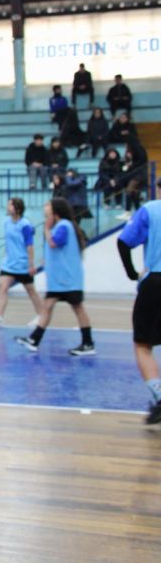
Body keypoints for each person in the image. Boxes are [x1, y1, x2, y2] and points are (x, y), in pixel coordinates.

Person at [15, 199, 96, 356]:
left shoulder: (63, 226)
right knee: (47, 306)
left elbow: (54, 243)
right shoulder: (62, 226)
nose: (45, 208)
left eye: (48, 206)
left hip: (67, 279)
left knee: (78, 308)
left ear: (55, 210)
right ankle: (34, 339)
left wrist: (46, 228)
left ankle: (88, 343)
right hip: (59, 280)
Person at [117, 178, 161, 424]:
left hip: (155, 282)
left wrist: (133, 274)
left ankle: (159, 396)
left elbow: (123, 242)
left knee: (143, 345)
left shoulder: (151, 210)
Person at [0, 198, 44, 327]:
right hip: (9, 264)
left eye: (10, 205)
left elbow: (30, 245)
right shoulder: (7, 223)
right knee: (2, 287)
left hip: (22, 264)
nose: (8, 207)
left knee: (31, 290)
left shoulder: (26, 225)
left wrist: (31, 264)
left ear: (17, 208)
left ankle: (41, 315)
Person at [117, 140, 149, 221]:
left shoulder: (138, 150)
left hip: (138, 175)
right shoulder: (131, 152)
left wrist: (131, 164)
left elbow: (140, 163)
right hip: (134, 175)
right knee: (135, 194)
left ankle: (128, 212)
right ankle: (138, 213)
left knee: (129, 191)